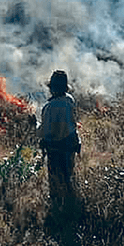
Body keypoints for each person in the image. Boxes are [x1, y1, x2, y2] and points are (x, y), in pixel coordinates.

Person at [37, 70, 81, 199]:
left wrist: (33, 124)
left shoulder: (49, 107)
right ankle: (72, 201)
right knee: (69, 176)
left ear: (52, 88)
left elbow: (43, 132)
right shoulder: (69, 100)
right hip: (70, 145)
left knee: (56, 180)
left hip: (55, 149)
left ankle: (58, 205)